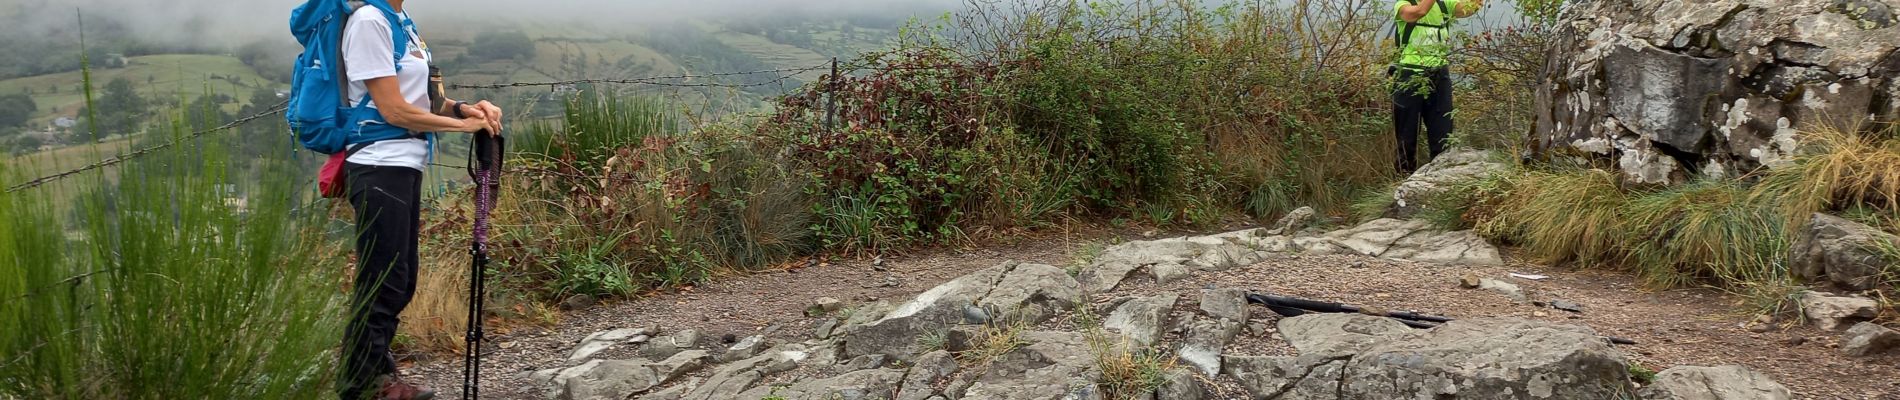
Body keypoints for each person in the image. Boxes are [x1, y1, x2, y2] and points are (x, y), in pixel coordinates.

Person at [337, 0, 501, 399]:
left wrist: (466, 107)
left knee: (401, 277)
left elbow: (423, 99)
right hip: (377, 163)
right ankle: (362, 384)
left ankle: (378, 372)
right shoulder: (369, 21)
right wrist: (461, 126)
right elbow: (393, 110)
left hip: (404, 164)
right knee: (383, 278)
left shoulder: (401, 23)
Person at [1391, 0, 1482, 174]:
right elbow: (1419, 12)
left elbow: (1468, 9)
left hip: (1439, 75)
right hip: (1409, 76)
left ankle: (1438, 181)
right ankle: (1403, 184)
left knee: (1443, 137)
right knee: (1406, 138)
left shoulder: (1443, 4)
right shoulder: (1403, 4)